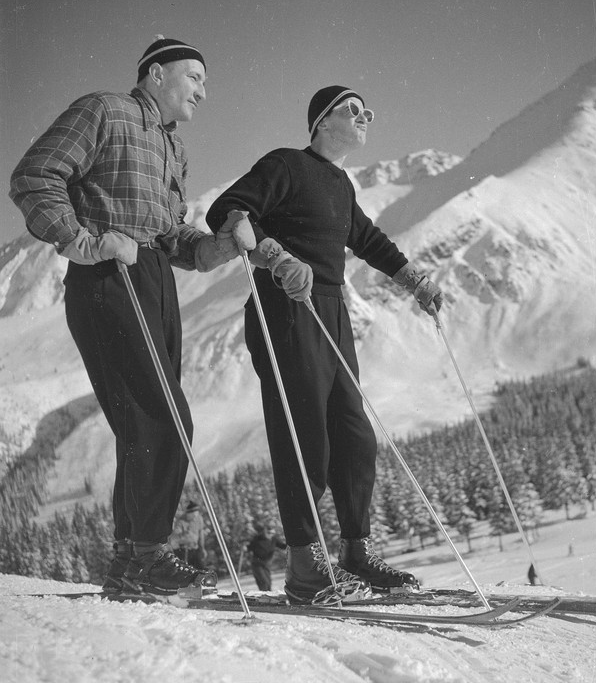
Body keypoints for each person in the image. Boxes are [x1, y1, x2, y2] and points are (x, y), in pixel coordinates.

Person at [9, 37, 253, 597]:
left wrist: (219, 246)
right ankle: (146, 557)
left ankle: (129, 560)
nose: (203, 91)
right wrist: (84, 242)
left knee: (145, 422)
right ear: (156, 74)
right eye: (194, 77)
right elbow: (34, 176)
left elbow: (172, 236)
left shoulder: (174, 148)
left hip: (152, 279)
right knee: (159, 418)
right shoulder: (104, 110)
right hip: (107, 274)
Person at [206, 85, 443, 605]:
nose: (365, 118)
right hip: (286, 307)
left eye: (369, 113)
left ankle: (356, 552)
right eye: (353, 110)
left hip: (331, 311)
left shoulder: (340, 183)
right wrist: (274, 255)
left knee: (354, 437)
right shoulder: (286, 164)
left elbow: (368, 240)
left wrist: (416, 282)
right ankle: (306, 566)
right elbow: (229, 208)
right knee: (304, 434)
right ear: (320, 122)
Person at [171, 500, 207, 568]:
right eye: (193, 515)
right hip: (183, 551)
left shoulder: (199, 518)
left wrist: (202, 549)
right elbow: (174, 538)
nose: (194, 517)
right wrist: (185, 536)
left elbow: (201, 534)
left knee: (202, 568)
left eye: (196, 515)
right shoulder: (181, 521)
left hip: (195, 549)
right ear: (188, 513)